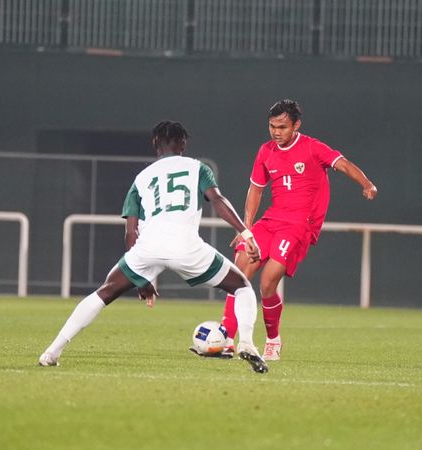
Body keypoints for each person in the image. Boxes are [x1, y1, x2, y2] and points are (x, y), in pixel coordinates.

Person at [39, 121, 269, 374]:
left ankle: (52, 351)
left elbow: (130, 231)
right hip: (187, 247)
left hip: (147, 247)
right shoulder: (198, 168)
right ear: (183, 144)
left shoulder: (141, 178)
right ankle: (246, 343)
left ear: (155, 145)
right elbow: (218, 200)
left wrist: (140, 279)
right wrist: (245, 232)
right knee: (242, 287)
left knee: (103, 293)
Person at [220, 99, 377, 361]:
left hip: (300, 225)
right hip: (272, 220)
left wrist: (367, 184)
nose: (276, 132)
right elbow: (256, 189)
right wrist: (247, 229)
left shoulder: (313, 148)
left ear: (296, 125)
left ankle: (272, 339)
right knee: (240, 267)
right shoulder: (266, 151)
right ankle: (225, 338)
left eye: (282, 127)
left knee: (268, 282)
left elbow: (344, 164)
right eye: (272, 126)